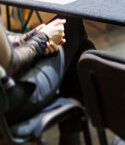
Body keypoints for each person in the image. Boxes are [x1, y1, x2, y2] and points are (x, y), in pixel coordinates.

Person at [1, 16, 95, 145]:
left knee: (80, 47)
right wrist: (42, 38)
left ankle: (71, 132)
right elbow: (10, 63)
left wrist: (32, 36)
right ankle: (71, 132)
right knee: (72, 22)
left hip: (6, 92)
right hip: (11, 102)